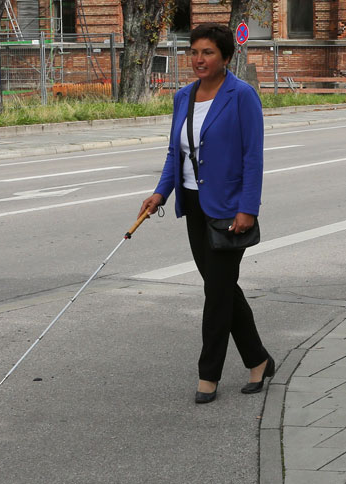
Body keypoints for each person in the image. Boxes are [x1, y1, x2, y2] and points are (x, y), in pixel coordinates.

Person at [137, 23, 273, 405]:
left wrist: (248, 208)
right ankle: (259, 359)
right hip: (194, 206)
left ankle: (208, 375)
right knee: (223, 288)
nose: (198, 59)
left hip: (230, 209)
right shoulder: (183, 97)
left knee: (216, 293)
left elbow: (253, 158)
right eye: (194, 51)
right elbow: (174, 154)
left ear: (226, 57)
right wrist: (159, 193)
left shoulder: (242, 96)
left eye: (208, 52)